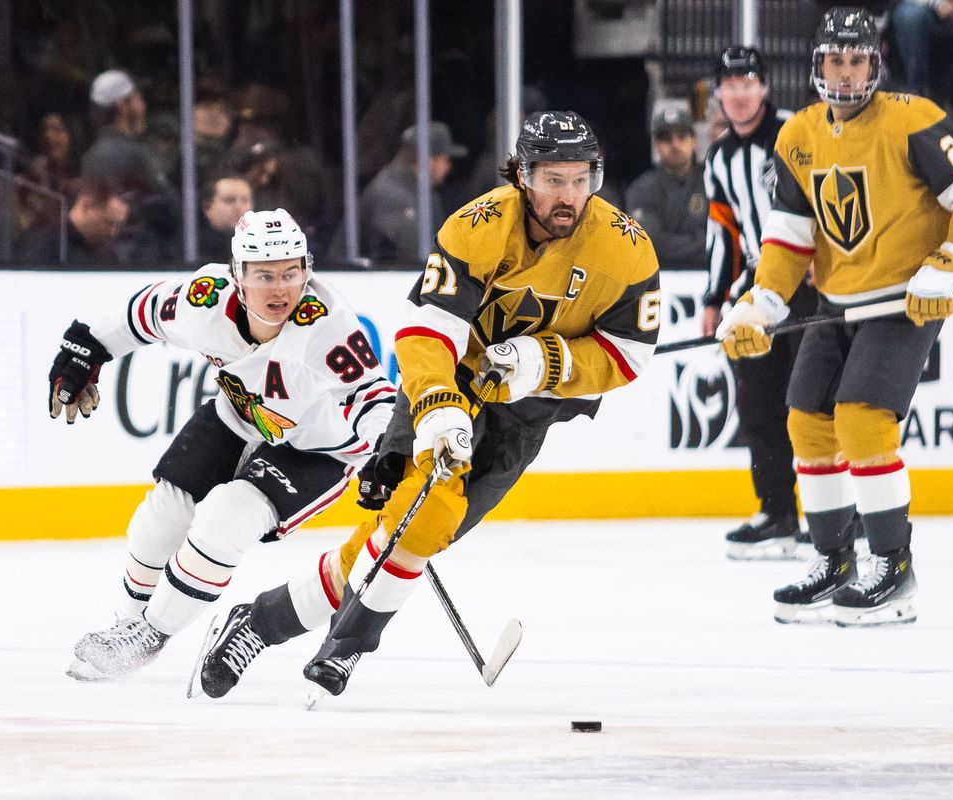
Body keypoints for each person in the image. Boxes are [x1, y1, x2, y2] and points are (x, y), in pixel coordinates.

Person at [194, 111, 661, 700]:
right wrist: (439, 406)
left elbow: (627, 355)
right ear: (522, 175)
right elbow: (425, 329)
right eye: (552, 180)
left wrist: (545, 363)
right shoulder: (479, 226)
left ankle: (258, 623)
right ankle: (346, 647)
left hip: (526, 416)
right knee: (426, 515)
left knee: (406, 535)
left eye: (579, 180)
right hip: (447, 384)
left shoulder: (626, 250)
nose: (567, 197)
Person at [48, 208, 396, 681]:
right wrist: (88, 347)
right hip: (240, 416)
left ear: (307, 271)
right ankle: (127, 629)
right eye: (264, 275)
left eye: (292, 274)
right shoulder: (204, 301)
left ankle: (151, 634)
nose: (280, 289)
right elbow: (143, 314)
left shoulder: (328, 330)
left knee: (226, 515)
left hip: (316, 449)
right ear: (237, 275)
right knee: (162, 514)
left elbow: (375, 397)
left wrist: (386, 452)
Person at [716, 7, 953, 626]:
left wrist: (947, 264)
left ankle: (893, 567)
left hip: (903, 302)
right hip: (835, 307)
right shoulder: (798, 135)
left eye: (856, 60)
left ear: (874, 63)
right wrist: (761, 303)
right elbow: (790, 239)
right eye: (834, 60)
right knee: (807, 421)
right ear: (816, 65)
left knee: (862, 419)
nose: (845, 73)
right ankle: (833, 559)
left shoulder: (916, 121)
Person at [702, 46, 819, 560]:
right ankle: (777, 511)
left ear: (764, 87)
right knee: (757, 402)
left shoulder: (799, 130)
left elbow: (830, 193)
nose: (739, 93)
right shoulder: (719, 157)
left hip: (812, 281)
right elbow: (723, 233)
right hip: (755, 288)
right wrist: (714, 296)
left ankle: (836, 512)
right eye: (729, 84)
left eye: (748, 82)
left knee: (816, 398)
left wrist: (829, 254)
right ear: (719, 94)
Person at [80, 69, 179, 257]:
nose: (143, 104)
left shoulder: (92, 154)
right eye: (137, 97)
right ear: (122, 105)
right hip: (140, 254)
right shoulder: (133, 154)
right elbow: (171, 210)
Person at [359, 122, 468, 262]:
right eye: (444, 159)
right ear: (427, 161)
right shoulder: (395, 196)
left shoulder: (415, 189)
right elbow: (417, 258)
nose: (448, 167)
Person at [625, 107, 708, 271]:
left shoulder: (713, 181)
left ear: (694, 140)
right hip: (659, 278)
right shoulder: (641, 189)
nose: (675, 144)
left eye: (682, 136)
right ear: (656, 145)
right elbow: (647, 242)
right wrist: (700, 241)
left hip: (709, 275)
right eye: (666, 138)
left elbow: (724, 236)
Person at [18, 178, 129, 266]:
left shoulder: (106, 252)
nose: (113, 232)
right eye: (108, 222)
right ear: (87, 205)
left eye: (118, 225)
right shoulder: (43, 242)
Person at [197, 172, 252, 262]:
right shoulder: (190, 247)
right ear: (207, 207)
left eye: (244, 200)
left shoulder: (262, 244)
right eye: (229, 200)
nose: (239, 207)